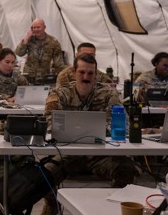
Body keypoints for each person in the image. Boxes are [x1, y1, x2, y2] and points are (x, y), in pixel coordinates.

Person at [41, 53, 137, 215]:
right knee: (44, 175)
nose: (86, 77)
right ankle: (52, 207)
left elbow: (123, 124)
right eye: (82, 72)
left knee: (126, 168)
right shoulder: (59, 94)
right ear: (73, 72)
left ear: (96, 74)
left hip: (101, 155)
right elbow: (50, 124)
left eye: (90, 73)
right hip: (69, 154)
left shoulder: (108, 94)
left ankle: (113, 210)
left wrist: (101, 131)